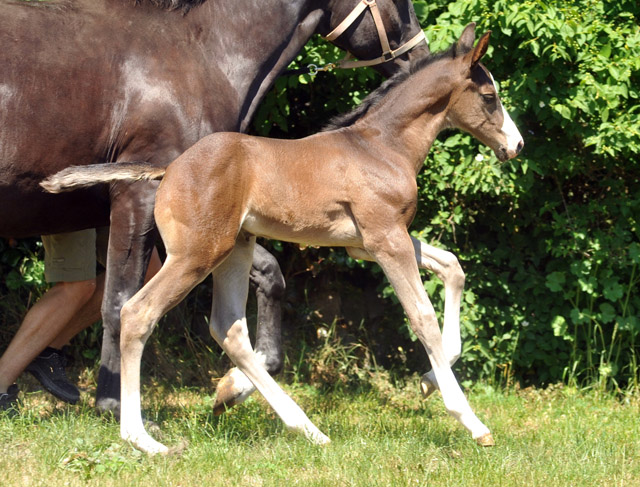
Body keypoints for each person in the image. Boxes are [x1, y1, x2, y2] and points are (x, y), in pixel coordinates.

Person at [0, 228, 161, 411]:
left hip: (116, 201)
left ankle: (46, 350)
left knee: (145, 272)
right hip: (73, 201)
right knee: (77, 285)